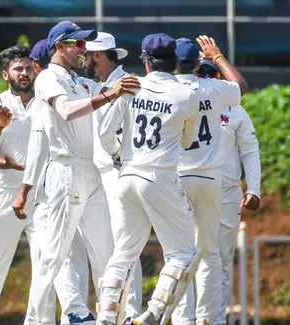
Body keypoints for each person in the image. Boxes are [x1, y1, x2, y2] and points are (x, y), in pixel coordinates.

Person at [12, 20, 139, 324]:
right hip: (64, 170)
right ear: (59, 46)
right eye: (78, 44)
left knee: (108, 251)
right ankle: (34, 320)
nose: (85, 50)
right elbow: (68, 111)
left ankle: (113, 318)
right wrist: (111, 95)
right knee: (53, 256)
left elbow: (112, 89)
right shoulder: (47, 79)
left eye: (86, 45)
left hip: (90, 170)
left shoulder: (81, 82)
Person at [95, 33, 200, 325]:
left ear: (146, 62)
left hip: (127, 175)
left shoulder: (131, 86)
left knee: (124, 252)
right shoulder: (185, 94)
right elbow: (187, 140)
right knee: (182, 254)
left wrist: (118, 154)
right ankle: (153, 313)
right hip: (160, 176)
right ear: (175, 62)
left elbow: (105, 133)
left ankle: (105, 317)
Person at [173, 36, 249, 325]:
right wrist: (216, 57)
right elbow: (241, 87)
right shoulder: (214, 89)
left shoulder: (164, 88)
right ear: (197, 64)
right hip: (208, 180)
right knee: (209, 252)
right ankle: (211, 319)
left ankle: (183, 318)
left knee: (180, 252)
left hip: (176, 179)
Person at [0, 45, 45, 324]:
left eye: (29, 68)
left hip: (42, 194)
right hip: (6, 193)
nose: (25, 73)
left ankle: (38, 321)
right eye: (18, 69)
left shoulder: (47, 101)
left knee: (47, 262)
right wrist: (4, 162)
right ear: (6, 74)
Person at [84, 31, 143, 322]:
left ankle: (130, 313)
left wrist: (118, 155)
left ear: (97, 56)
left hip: (116, 171)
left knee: (125, 243)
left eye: (88, 55)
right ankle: (116, 312)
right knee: (110, 246)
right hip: (101, 173)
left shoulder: (125, 83)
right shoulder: (102, 85)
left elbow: (109, 134)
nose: (85, 60)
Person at [197, 60, 261, 325]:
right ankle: (188, 318)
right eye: (202, 75)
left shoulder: (236, 112)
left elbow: (250, 150)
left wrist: (254, 188)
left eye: (212, 75)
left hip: (227, 193)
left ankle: (214, 320)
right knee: (191, 255)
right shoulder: (186, 102)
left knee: (222, 257)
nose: (208, 80)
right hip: (194, 188)